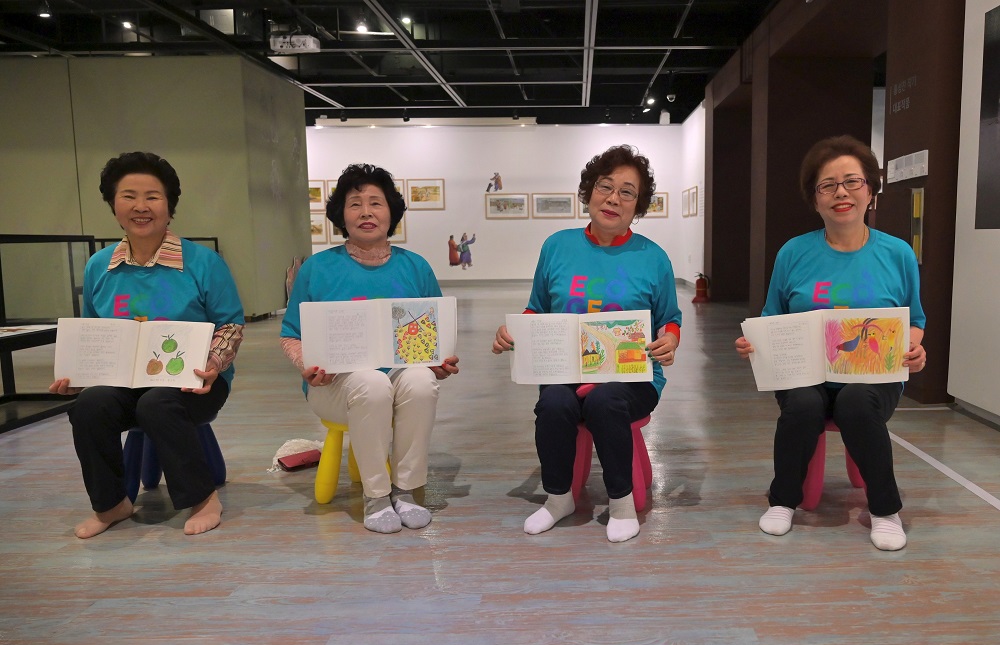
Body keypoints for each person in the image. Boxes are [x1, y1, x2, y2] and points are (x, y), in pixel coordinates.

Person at [734, 134, 927, 551]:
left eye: (852, 182)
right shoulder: (793, 253)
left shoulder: (897, 254)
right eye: (828, 185)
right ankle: (783, 500)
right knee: (802, 404)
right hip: (805, 375)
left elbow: (915, 320)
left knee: (857, 402)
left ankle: (885, 509)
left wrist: (913, 349)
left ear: (871, 191)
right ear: (816, 199)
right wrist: (756, 344)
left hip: (874, 379)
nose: (841, 193)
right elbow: (772, 316)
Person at [492, 144, 682, 543]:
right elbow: (537, 309)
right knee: (554, 403)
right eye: (605, 187)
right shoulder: (557, 246)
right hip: (565, 370)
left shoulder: (654, 258)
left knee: (604, 400)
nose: (613, 198)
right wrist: (513, 332)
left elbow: (670, 318)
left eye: (627, 192)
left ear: (638, 205)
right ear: (589, 192)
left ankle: (622, 502)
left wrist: (669, 339)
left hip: (633, 378)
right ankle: (558, 497)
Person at [50, 152, 245, 538]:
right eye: (129, 196)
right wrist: (79, 376)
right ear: (113, 205)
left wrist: (213, 365)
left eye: (153, 196)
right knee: (88, 406)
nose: (141, 206)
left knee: (158, 402)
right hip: (123, 382)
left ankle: (203, 498)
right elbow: (93, 334)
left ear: (169, 205)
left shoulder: (203, 262)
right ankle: (111, 504)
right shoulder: (99, 266)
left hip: (194, 382)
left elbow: (231, 325)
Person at [280, 163, 460, 534]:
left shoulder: (416, 267)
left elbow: (434, 332)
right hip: (333, 384)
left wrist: (439, 361)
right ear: (340, 216)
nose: (366, 212)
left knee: (421, 381)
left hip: (398, 374)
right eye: (355, 204)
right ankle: (377, 497)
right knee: (370, 383)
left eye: (376, 203)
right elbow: (290, 333)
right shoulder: (317, 268)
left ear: (391, 212)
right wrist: (305, 365)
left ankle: (407, 490)